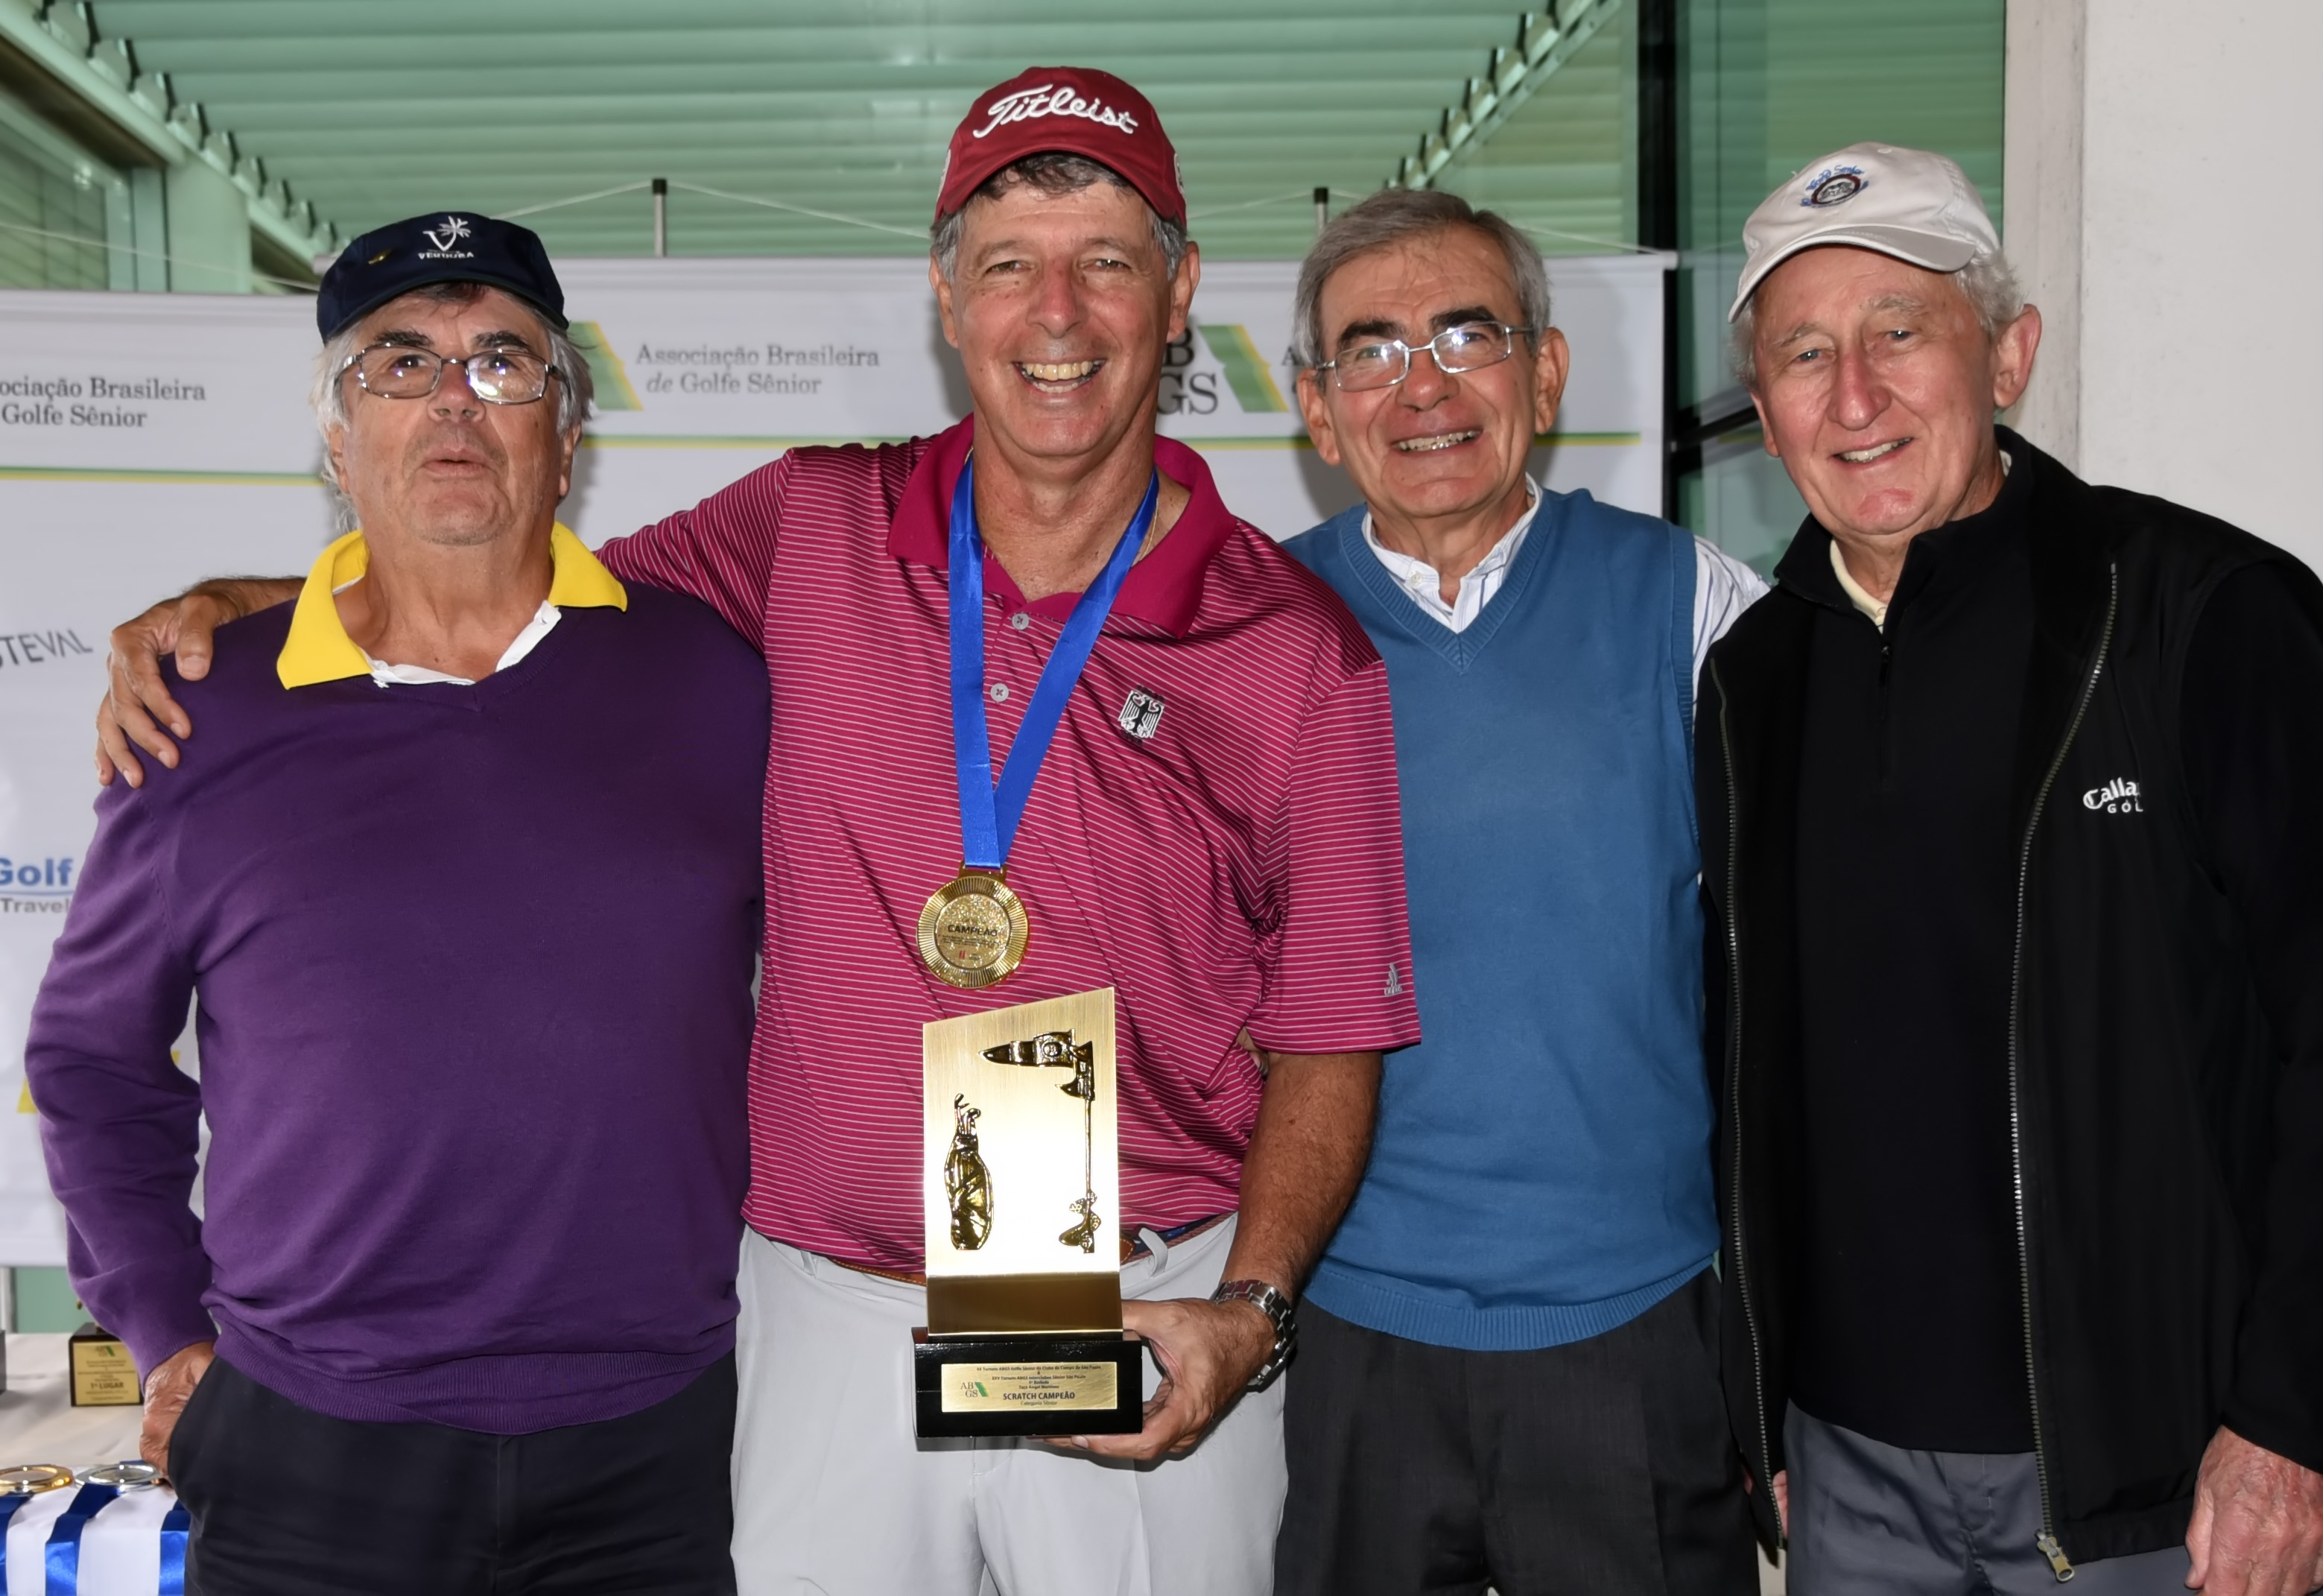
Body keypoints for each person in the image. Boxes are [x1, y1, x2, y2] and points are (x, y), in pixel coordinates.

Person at [93, 67, 1419, 1596]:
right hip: (829, 1315)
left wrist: (1250, 1312)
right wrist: (256, 606)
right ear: (946, 296)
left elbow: (1332, 1029)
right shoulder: (802, 527)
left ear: (1179, 293)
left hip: (1136, 1306)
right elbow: (511, 596)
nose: (1057, 314)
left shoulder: (1296, 646)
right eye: (1008, 266)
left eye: (1107, 261)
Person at [1699, 141, 2323, 1596]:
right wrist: (1763, 1384)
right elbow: (1756, 1066)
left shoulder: (2195, 618)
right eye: (1805, 352)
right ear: (1766, 406)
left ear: (2010, 354)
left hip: (2173, 1481)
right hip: (1851, 1476)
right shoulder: (1756, 681)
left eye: (1901, 333)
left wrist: (2296, 1424)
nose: (1853, 397)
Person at [31, 214, 768, 1592]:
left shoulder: (717, 682)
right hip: (311, 1444)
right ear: (333, 434)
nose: (452, 398)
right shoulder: (202, 711)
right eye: (398, 363)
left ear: (568, 425)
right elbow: (88, 1054)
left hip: (664, 1439)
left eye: (503, 361)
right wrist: (163, 1326)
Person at [1271, 186, 1763, 1595]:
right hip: (1344, 1327)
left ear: (1544, 372)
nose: (1420, 386)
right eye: (1369, 349)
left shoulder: (1694, 605)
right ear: (1316, 408)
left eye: (1465, 333)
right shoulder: (1248, 632)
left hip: (1636, 1332)